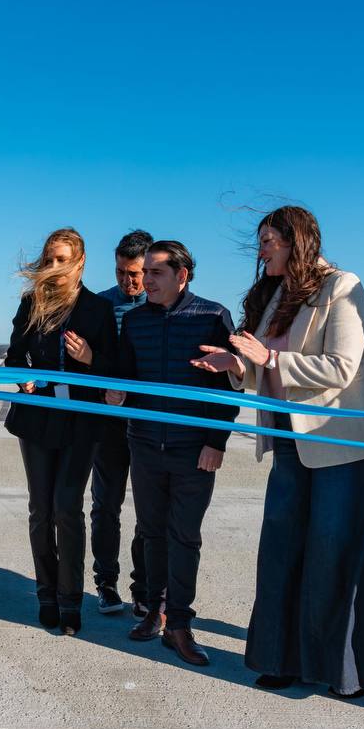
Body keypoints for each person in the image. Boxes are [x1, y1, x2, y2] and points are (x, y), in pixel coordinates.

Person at [193, 205, 364, 697]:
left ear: (294, 241)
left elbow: (342, 368)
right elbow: (262, 372)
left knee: (334, 553)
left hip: (339, 444)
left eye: (268, 242)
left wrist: (270, 358)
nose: (260, 253)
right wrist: (235, 367)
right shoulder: (275, 295)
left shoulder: (342, 286)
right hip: (284, 439)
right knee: (281, 551)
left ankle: (344, 671)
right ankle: (281, 659)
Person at [105, 240, 239, 667]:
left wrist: (216, 443)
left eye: (155, 273)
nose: (145, 280)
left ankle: (180, 623)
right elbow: (127, 375)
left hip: (193, 450)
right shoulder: (137, 320)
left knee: (185, 536)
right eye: (144, 272)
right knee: (151, 531)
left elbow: (225, 388)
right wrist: (116, 392)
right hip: (144, 444)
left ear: (182, 276)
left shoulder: (211, 316)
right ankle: (153, 610)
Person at [5, 228, 117, 635]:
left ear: (80, 261)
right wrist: (25, 379)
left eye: (62, 259)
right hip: (36, 418)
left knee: (67, 507)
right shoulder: (31, 302)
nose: (53, 267)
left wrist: (89, 356)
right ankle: (46, 594)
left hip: (80, 420)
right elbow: (15, 356)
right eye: (49, 259)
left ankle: (72, 600)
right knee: (41, 510)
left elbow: (115, 369)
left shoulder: (97, 309)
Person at [89, 229, 151, 616]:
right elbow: (90, 365)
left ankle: (142, 586)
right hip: (109, 424)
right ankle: (105, 582)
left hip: (147, 423)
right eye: (121, 272)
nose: (129, 281)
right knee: (105, 506)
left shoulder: (162, 305)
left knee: (148, 510)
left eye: (136, 273)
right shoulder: (100, 306)